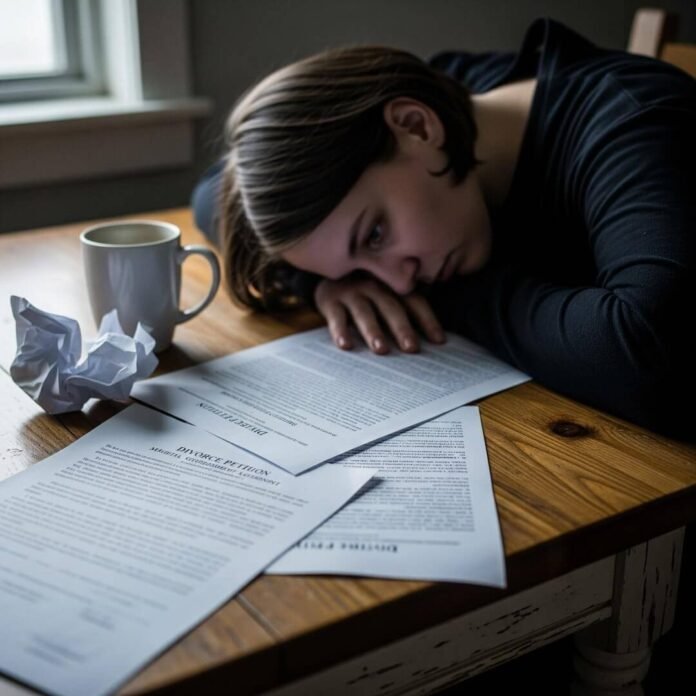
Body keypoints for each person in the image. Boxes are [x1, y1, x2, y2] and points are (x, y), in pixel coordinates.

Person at [192, 18, 695, 440]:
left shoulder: (632, 120)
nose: (401, 284)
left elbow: (647, 354)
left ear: (416, 126)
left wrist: (450, 298)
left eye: (374, 235)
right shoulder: (428, 105)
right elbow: (211, 194)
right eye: (363, 267)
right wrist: (329, 281)